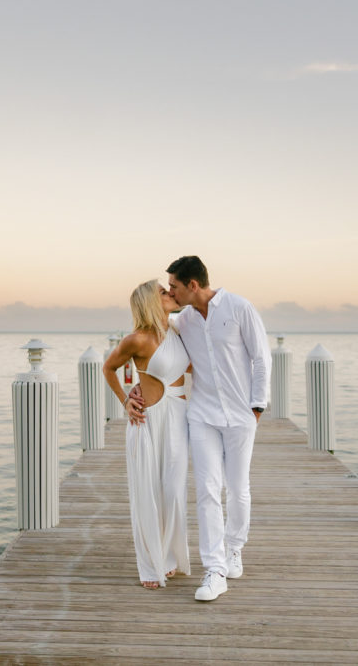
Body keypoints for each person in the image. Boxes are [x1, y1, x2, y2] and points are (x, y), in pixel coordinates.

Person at [127, 256, 270, 602]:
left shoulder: (239, 308)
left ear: (193, 285)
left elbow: (262, 358)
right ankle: (214, 569)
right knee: (207, 490)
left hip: (240, 416)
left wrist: (257, 409)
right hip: (201, 415)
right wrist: (137, 386)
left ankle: (234, 548)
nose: (171, 293)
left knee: (237, 489)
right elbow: (151, 340)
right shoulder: (183, 321)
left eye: (174, 286)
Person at [103, 280, 191, 589]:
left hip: (178, 419)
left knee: (174, 491)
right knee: (148, 493)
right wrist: (126, 400)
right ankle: (152, 565)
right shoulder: (136, 340)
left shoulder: (179, 329)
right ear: (149, 303)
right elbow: (108, 368)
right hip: (149, 423)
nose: (170, 294)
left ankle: (169, 554)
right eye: (163, 293)